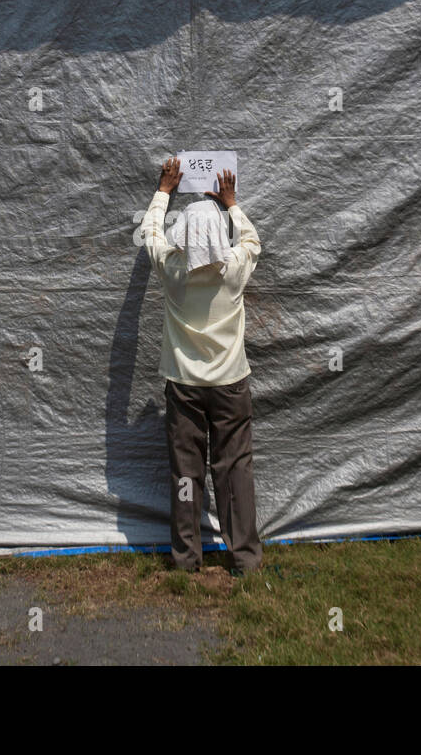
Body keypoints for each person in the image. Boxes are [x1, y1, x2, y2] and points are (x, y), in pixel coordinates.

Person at [140, 157, 262, 575]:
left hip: (184, 385)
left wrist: (163, 192)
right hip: (231, 385)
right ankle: (244, 559)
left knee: (186, 474)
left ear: (186, 236)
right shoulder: (235, 269)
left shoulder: (173, 271)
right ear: (217, 235)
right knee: (235, 471)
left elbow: (151, 234)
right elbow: (251, 239)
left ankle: (185, 560)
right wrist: (231, 203)